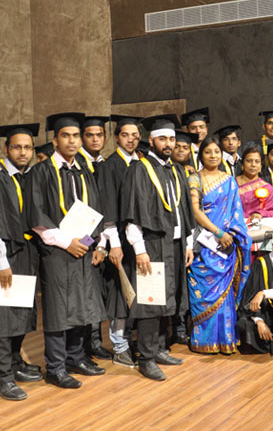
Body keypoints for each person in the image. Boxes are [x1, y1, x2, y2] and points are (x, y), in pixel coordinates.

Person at [25, 112, 107, 389]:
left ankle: (76, 357)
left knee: (82, 304)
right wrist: (66, 242)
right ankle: (56, 367)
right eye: (65, 136)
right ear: (55, 140)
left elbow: (95, 210)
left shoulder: (84, 170)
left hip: (82, 248)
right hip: (56, 251)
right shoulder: (40, 172)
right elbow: (36, 214)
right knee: (58, 309)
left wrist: (89, 241)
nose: (71, 141)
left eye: (75, 136)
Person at [121, 114, 195, 380]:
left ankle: (161, 347)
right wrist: (139, 249)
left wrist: (188, 243)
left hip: (175, 244)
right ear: (151, 141)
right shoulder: (139, 170)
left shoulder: (176, 170)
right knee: (151, 303)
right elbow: (132, 215)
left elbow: (184, 211)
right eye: (162, 139)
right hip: (152, 245)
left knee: (170, 297)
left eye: (171, 139)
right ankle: (146, 357)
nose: (168, 144)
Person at [187, 137, 251, 354]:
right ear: (201, 156)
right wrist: (218, 232)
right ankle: (203, 341)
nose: (213, 155)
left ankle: (225, 340)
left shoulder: (229, 180)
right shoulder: (195, 179)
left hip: (226, 247)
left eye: (216, 151)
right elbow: (195, 211)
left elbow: (235, 212)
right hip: (204, 244)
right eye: (208, 152)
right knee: (203, 293)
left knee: (225, 295)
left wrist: (231, 234)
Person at [0, 123, 42, 401]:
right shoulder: (1, 178)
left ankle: (15, 362)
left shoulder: (27, 178)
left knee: (21, 312)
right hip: (7, 255)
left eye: (27, 147)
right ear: (6, 149)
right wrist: (1, 262)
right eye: (17, 147)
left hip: (26, 252)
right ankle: (3, 377)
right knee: (5, 318)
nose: (23, 152)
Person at [97, 114, 141, 368]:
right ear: (116, 138)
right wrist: (112, 243)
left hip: (137, 240)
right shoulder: (110, 166)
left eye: (135, 136)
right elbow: (107, 209)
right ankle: (119, 346)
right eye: (125, 135)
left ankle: (130, 340)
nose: (130, 140)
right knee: (120, 294)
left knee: (135, 292)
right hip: (119, 241)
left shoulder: (141, 164)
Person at [76, 115, 113, 361]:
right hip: (80, 242)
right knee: (83, 296)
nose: (95, 139)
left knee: (97, 294)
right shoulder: (77, 166)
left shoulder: (104, 165)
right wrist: (91, 244)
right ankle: (81, 348)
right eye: (90, 135)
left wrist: (102, 244)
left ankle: (96, 341)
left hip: (101, 240)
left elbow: (105, 208)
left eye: (99, 135)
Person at [236, 147, 273, 257]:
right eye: (249, 161)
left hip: (258, 239)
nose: (253, 165)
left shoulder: (267, 188)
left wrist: (261, 214)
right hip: (236, 234)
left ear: (261, 166)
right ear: (242, 165)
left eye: (257, 161)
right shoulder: (231, 184)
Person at [181, 107, 210, 172]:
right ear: (187, 131)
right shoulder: (183, 151)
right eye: (193, 128)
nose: (198, 131)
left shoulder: (212, 150)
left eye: (201, 127)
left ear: (206, 129)